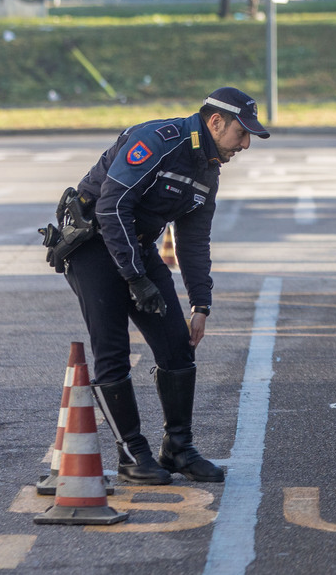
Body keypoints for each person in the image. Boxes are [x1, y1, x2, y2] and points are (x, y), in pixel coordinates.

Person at [44, 87, 268, 484]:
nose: (246, 143)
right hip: (94, 245)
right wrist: (135, 278)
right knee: (111, 351)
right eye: (242, 132)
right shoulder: (159, 140)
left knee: (176, 347)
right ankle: (132, 453)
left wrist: (201, 304)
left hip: (137, 247)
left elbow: (194, 240)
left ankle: (177, 448)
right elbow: (112, 206)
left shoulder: (208, 169)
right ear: (216, 122)